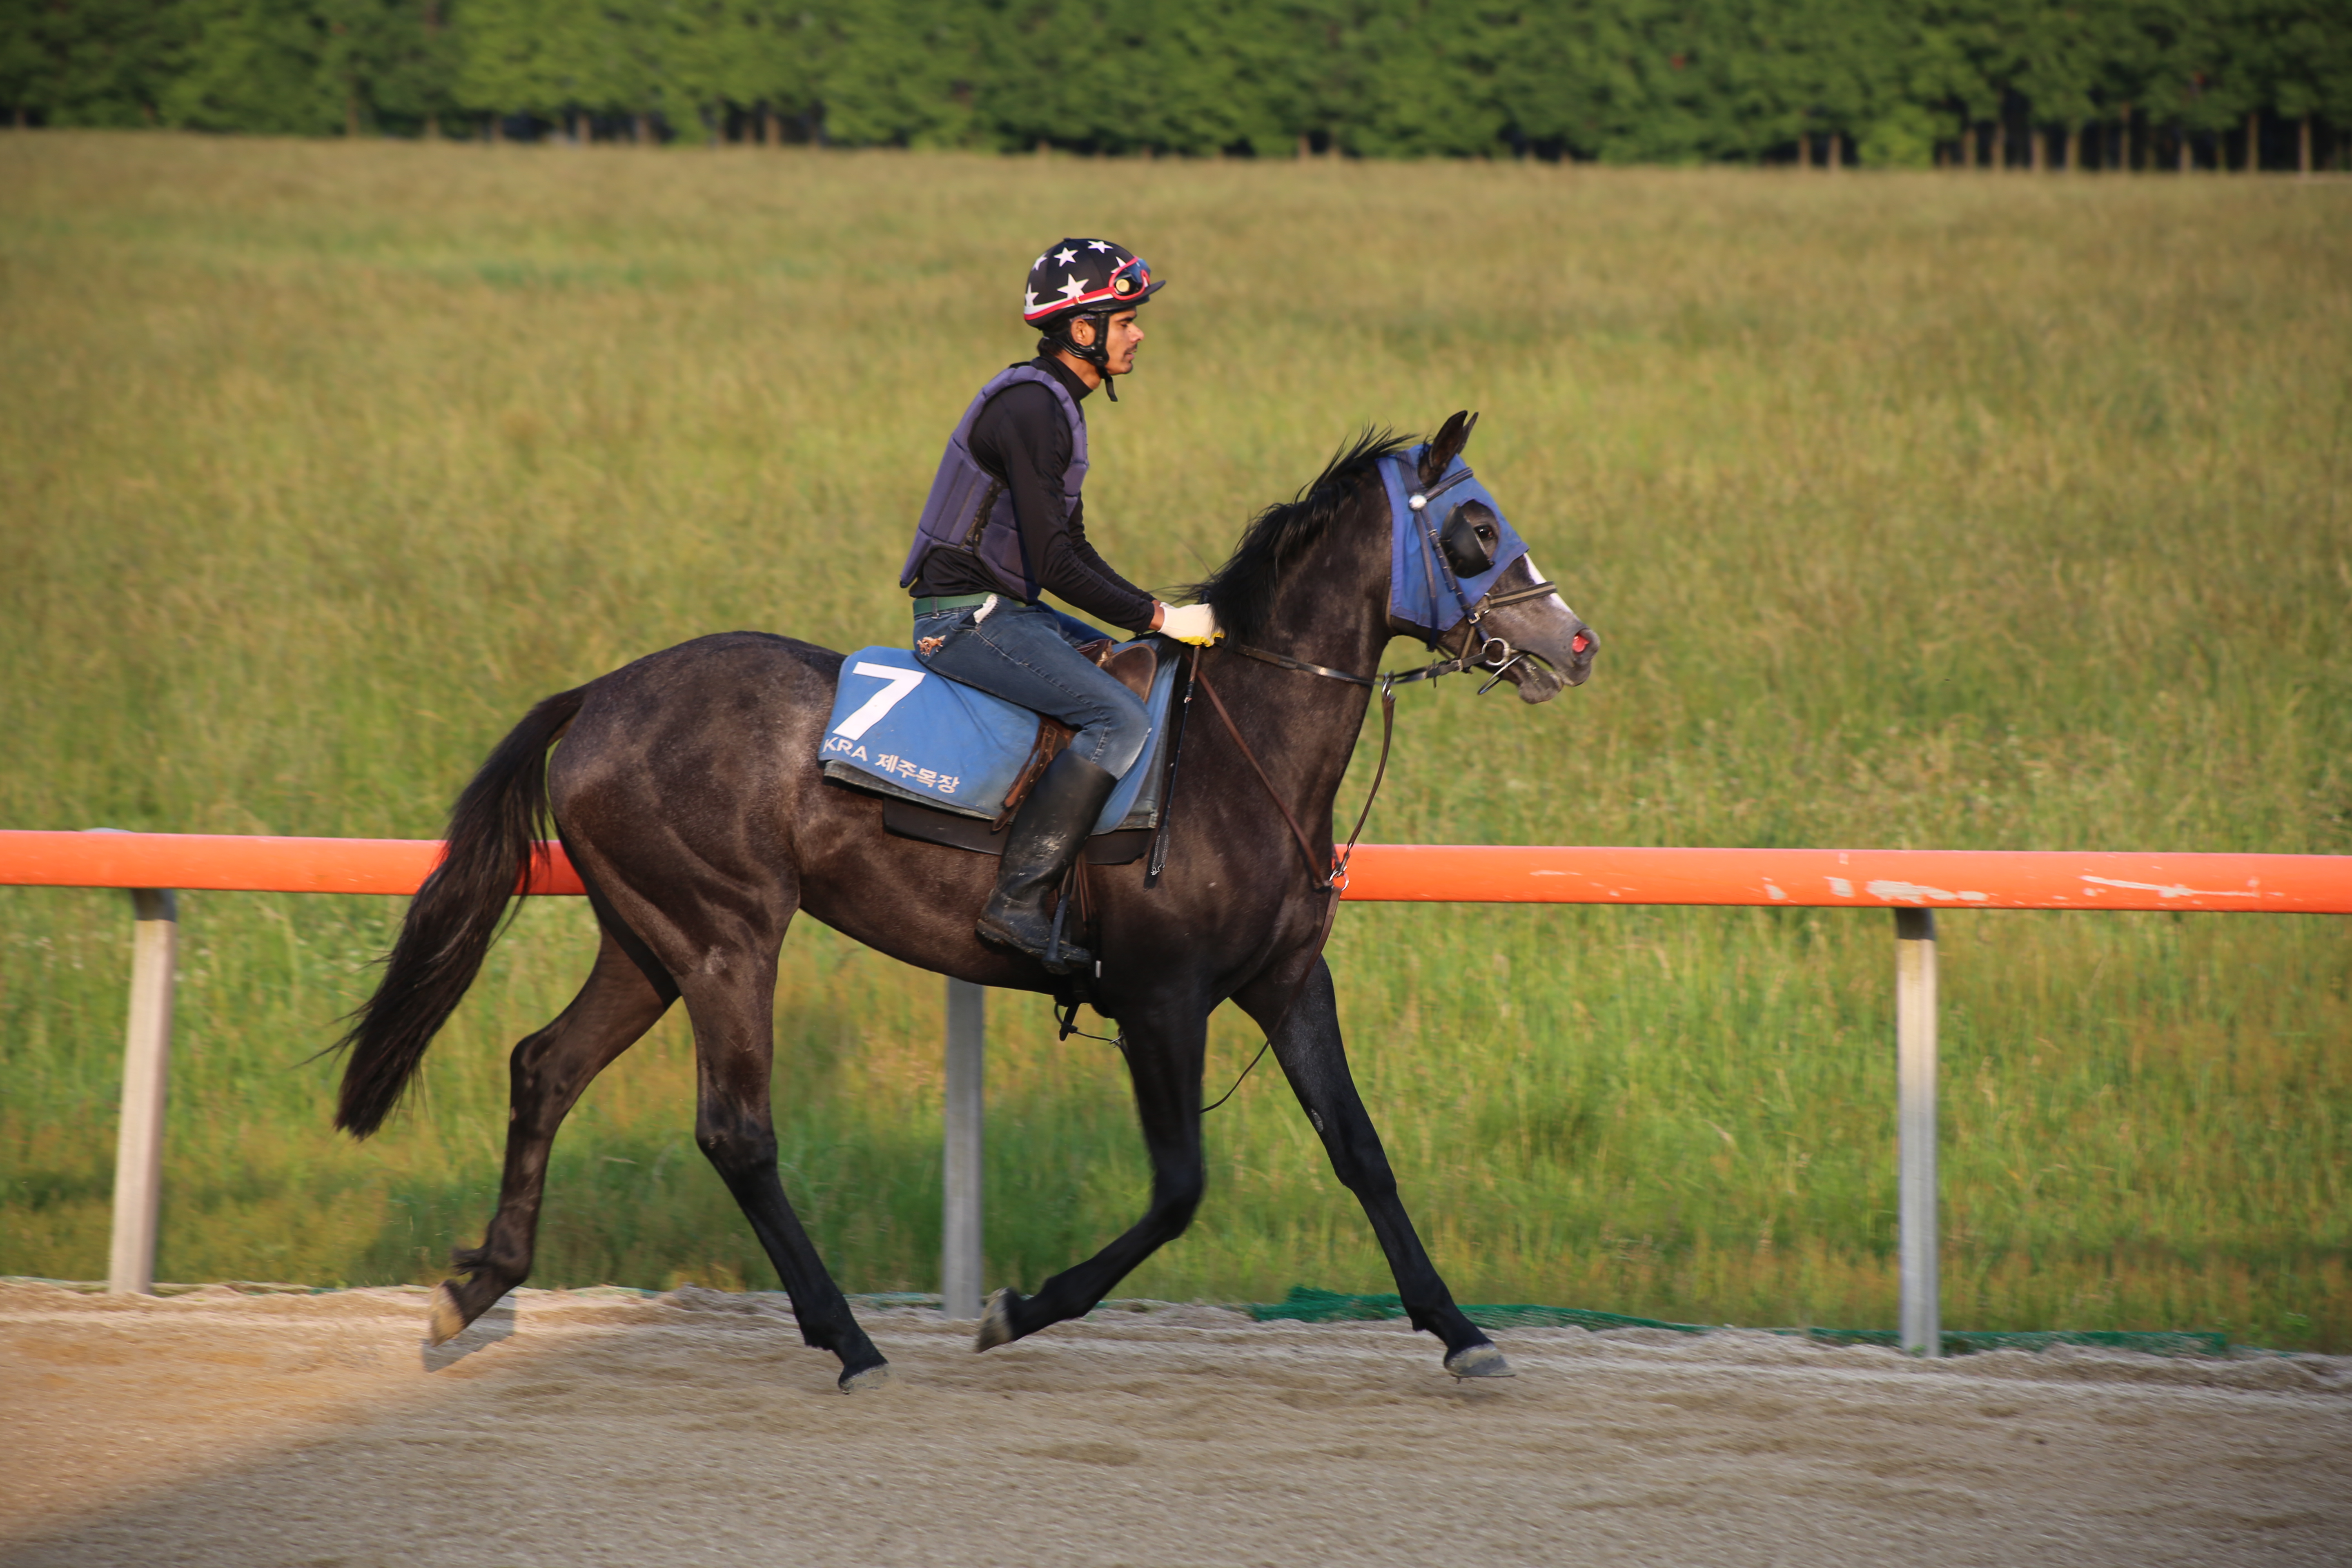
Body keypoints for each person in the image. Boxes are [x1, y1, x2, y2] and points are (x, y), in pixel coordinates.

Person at [900, 238, 1218, 973]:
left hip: (1004, 610)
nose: (1138, 333)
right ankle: (1016, 902)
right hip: (965, 621)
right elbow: (1053, 564)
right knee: (1118, 717)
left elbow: (1071, 549)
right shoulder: (1031, 411)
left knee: (1141, 663)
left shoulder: (1054, 407)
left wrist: (1150, 619)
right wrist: (1161, 617)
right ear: (1083, 331)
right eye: (1127, 319)